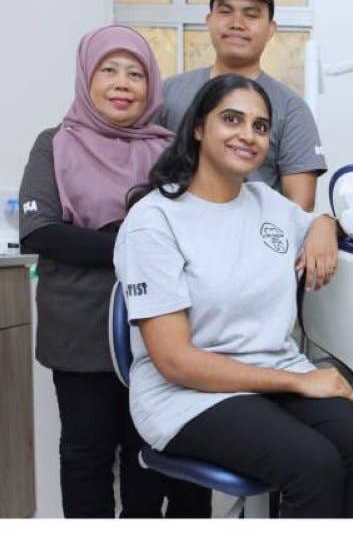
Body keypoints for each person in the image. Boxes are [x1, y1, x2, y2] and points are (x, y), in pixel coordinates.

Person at [115, 73, 353, 518]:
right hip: (187, 394)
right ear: (198, 127)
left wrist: (324, 224)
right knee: (314, 465)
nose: (248, 135)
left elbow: (317, 222)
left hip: (272, 373)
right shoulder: (155, 220)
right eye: (232, 119)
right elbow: (174, 360)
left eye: (260, 126)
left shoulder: (266, 202)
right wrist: (301, 381)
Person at [18, 25, 211, 517]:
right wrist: (137, 245)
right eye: (109, 70)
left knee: (147, 456)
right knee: (85, 454)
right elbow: (39, 232)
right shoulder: (54, 144)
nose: (123, 83)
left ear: (151, 86)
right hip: (78, 328)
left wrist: (116, 241)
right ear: (87, 78)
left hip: (158, 330)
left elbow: (194, 233)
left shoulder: (172, 151)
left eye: (135, 73)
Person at [158, 0, 326, 211]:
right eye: (226, 12)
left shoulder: (291, 108)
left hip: (255, 232)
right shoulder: (169, 92)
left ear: (270, 29)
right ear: (209, 20)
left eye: (251, 14)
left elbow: (299, 210)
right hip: (174, 227)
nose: (237, 23)